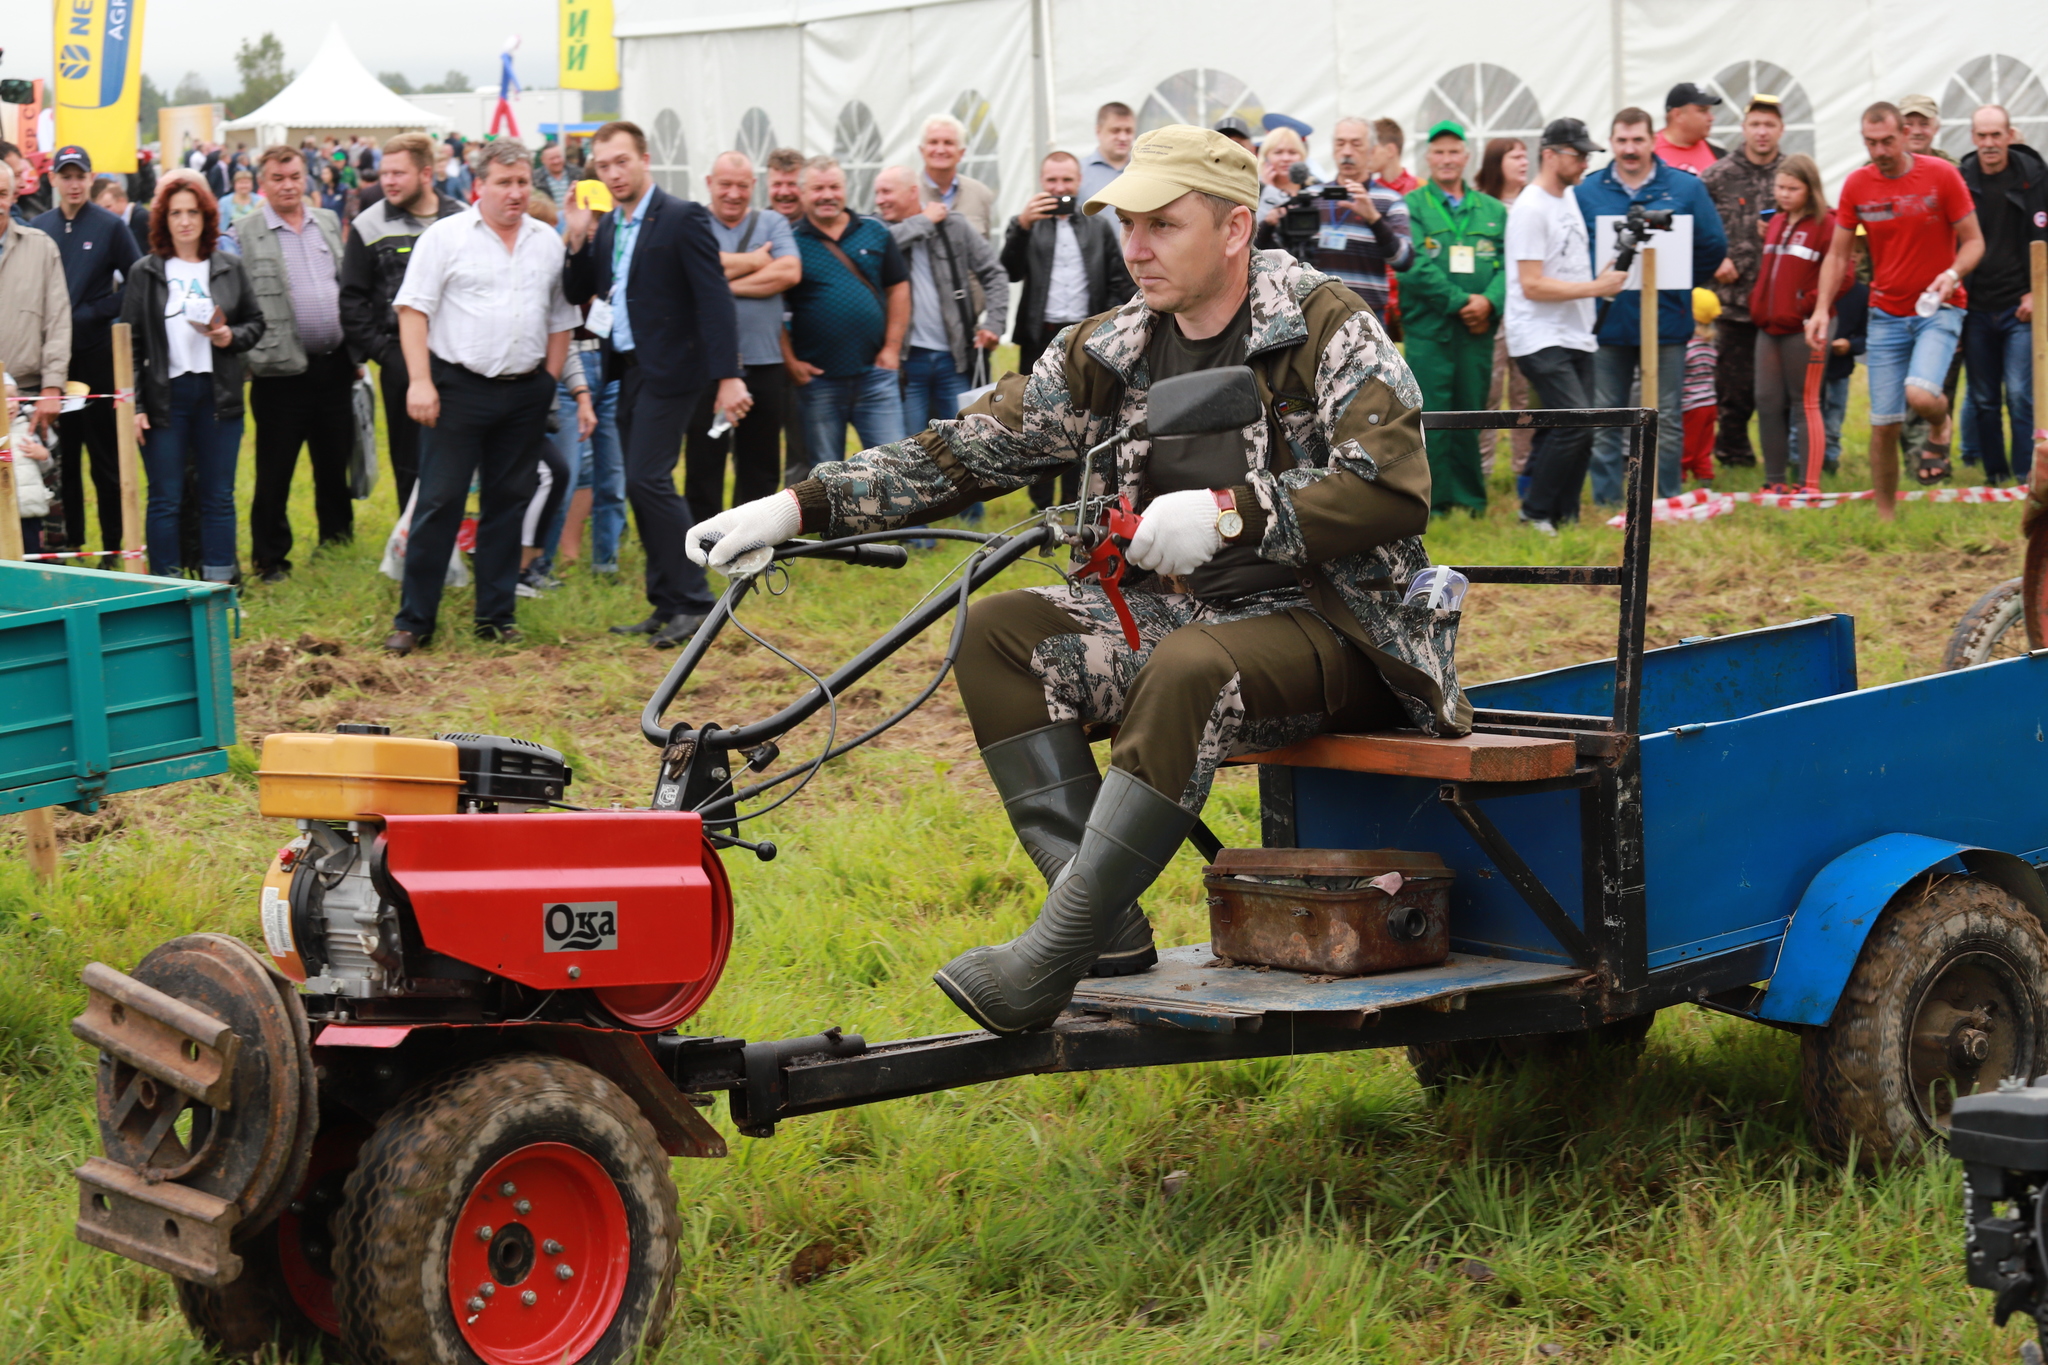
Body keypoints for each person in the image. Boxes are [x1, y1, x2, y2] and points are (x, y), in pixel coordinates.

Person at [684, 124, 1462, 1036]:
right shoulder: (1115, 344)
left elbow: (1392, 488)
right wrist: (795, 508)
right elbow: (977, 445)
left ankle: (1052, 951)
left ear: (1237, 229)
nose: (1136, 248)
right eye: (1127, 225)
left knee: (1192, 667)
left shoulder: (1324, 323)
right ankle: (1105, 922)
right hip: (1178, 619)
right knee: (1000, 630)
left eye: (1163, 225)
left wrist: (1231, 513)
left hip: (1339, 628)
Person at [385, 140, 581, 654]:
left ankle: (496, 616)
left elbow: (562, 319)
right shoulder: (445, 237)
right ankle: (414, 621)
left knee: (508, 503)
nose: (515, 193)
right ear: (480, 185)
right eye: (504, 182)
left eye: (523, 183)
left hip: (523, 393)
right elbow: (412, 311)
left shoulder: (546, 242)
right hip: (457, 390)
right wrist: (420, 381)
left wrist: (549, 380)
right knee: (439, 501)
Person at [563, 120, 749, 649]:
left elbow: (714, 299)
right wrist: (577, 235)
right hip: (628, 369)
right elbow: (578, 291)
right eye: (604, 167)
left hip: (673, 370)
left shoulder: (682, 216)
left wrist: (728, 376)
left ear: (645, 159)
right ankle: (665, 602)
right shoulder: (608, 227)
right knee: (641, 485)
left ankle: (693, 601)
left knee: (648, 479)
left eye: (622, 161)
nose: (614, 173)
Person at [1808, 102, 1984, 515]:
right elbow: (1837, 256)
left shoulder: (1941, 175)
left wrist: (1953, 274)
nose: (1881, 151)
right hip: (1885, 315)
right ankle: (1886, 516)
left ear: (1905, 134)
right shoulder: (1857, 185)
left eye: (1888, 141)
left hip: (1939, 308)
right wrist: (1820, 310)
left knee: (1920, 395)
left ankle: (1940, 423)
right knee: (1883, 424)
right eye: (1872, 143)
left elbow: (1975, 241)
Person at [1575, 108, 1729, 501]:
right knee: (1607, 416)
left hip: (1667, 321)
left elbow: (1713, 245)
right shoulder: (1586, 192)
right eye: (1622, 140)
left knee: (1667, 416)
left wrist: (1680, 284)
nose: (1630, 149)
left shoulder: (1685, 188)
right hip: (1608, 322)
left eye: (1638, 140)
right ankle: (1606, 501)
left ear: (1652, 140)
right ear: (1611, 142)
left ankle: (1666, 497)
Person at [120, 177, 265, 581]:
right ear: (163, 220)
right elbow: (129, 342)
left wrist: (230, 336)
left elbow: (256, 322)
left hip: (218, 397)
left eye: (192, 212)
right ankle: (165, 588)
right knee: (165, 497)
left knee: (218, 496)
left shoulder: (228, 267)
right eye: (175, 213)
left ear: (206, 217)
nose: (185, 221)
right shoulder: (145, 272)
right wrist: (137, 406)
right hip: (166, 396)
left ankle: (219, 587)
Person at [226, 145, 354, 583]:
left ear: (307, 178)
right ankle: (270, 557)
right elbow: (235, 302)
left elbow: (346, 285)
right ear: (263, 183)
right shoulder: (244, 232)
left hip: (335, 366)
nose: (287, 185)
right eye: (278, 178)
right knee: (275, 469)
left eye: (295, 176)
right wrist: (250, 358)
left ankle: (337, 542)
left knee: (334, 462)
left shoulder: (329, 223)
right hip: (280, 373)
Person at [1508, 119, 1628, 532]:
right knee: (1576, 423)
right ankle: (1535, 512)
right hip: (1538, 335)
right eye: (1577, 155)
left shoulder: (1567, 198)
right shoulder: (1530, 207)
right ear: (1550, 154)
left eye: (1587, 155)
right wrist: (1596, 287)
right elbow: (1532, 284)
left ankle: (1565, 517)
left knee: (1576, 426)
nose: (1584, 163)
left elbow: (1564, 262)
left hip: (1575, 332)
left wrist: (1601, 278)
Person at [340, 132, 468, 513]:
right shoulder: (368, 225)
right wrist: (386, 354)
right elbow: (351, 301)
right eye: (384, 173)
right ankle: (414, 546)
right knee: (410, 461)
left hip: (460, 360)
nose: (389, 182)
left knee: (462, 456)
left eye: (399, 173)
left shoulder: (462, 218)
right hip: (401, 363)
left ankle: (461, 541)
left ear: (426, 173)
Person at [1002, 149, 1137, 508]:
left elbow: (1115, 279)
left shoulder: (1097, 226)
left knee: (1086, 419)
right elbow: (1010, 269)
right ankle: (1040, 502)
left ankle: (1075, 499)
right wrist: (1021, 226)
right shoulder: (1028, 225)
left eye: (1066, 180)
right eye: (1052, 180)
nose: (1059, 187)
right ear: (1041, 183)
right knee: (1037, 417)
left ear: (1078, 183)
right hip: (1039, 334)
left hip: (1084, 337)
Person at [683, 151, 801, 529]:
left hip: (765, 362)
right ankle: (703, 540)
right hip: (706, 365)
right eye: (725, 185)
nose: (733, 194)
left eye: (742, 186)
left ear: (754, 185)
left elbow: (789, 271)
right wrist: (753, 261)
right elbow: (685, 276)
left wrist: (717, 285)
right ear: (709, 184)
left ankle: (753, 540)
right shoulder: (692, 220)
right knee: (704, 460)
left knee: (761, 462)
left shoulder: (773, 221)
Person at [33, 146, 140, 558]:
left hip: (96, 358)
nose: (74, 183)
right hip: (54, 363)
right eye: (67, 175)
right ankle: (71, 545)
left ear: (92, 178)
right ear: (54, 180)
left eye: (81, 176)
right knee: (63, 462)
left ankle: (113, 546)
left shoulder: (111, 226)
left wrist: (98, 312)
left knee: (105, 458)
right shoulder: (40, 228)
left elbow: (137, 279)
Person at [1401, 120, 1507, 515]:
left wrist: (1489, 303)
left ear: (1466, 157)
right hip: (1431, 330)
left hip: (1477, 331)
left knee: (1471, 410)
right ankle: (1435, 498)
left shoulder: (1493, 210)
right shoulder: (1412, 206)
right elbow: (1412, 266)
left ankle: (1471, 497)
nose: (1446, 159)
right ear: (1428, 158)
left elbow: (1507, 268)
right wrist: (1463, 301)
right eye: (1439, 152)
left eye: (1453, 151)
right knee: (1431, 414)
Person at [780, 156, 909, 472]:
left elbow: (899, 288)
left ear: (845, 189)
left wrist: (892, 349)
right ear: (803, 193)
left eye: (834, 187)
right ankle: (836, 524)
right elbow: (775, 309)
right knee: (828, 474)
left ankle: (905, 525)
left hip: (876, 376)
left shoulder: (875, 231)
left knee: (895, 469)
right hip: (819, 382)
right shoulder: (790, 242)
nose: (827, 195)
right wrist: (791, 363)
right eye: (818, 188)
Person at [874, 164, 1006, 441]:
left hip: (954, 359)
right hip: (906, 363)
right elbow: (879, 247)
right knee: (911, 447)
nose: (879, 200)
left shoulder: (953, 225)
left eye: (886, 192)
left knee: (961, 444)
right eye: (877, 193)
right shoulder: (876, 229)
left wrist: (994, 323)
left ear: (912, 192)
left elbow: (994, 273)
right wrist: (923, 221)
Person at [1959, 104, 2047, 487]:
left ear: (2010, 135)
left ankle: (2026, 476)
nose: (1990, 143)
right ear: (1973, 138)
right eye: (1982, 136)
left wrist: (2036, 294)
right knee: (1982, 398)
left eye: (1997, 135)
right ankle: (1995, 477)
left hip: (2020, 307)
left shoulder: (2035, 179)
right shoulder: (1960, 180)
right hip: (1975, 307)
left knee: (2021, 395)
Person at [1701, 94, 1786, 470]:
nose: (1762, 133)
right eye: (1755, 125)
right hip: (1733, 301)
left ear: (1781, 129)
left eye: (1770, 125)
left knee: (1779, 389)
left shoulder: (1794, 174)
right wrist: (1714, 258)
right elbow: (1693, 228)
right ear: (1743, 129)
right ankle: (1733, 453)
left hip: (1782, 300)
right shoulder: (1718, 176)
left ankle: (1783, 456)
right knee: (1733, 387)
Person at [1751, 154, 1834, 491]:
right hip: (1768, 326)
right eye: (1779, 187)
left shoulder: (1828, 223)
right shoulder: (1775, 222)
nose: (1783, 194)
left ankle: (1809, 483)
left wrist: (1807, 305)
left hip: (1805, 326)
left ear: (1809, 188)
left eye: (1792, 188)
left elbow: (1841, 276)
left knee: (1805, 402)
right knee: (1767, 400)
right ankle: (1775, 482)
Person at [1307, 117, 1413, 324]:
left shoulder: (1390, 200)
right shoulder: (1311, 197)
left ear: (1372, 151)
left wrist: (1373, 218)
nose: (1347, 152)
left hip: (1367, 317)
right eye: (1340, 144)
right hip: (1317, 315)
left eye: (1356, 144)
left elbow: (1404, 260)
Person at [0, 163, 70, 447]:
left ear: (15, 197)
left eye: (2, 193)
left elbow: (58, 321)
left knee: (32, 491)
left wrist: (52, 386)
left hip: (28, 396)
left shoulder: (41, 248)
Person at [1476, 137, 1533, 486]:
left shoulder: (1534, 201)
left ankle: (1524, 469)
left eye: (1526, 156)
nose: (1524, 162)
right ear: (1497, 162)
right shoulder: (1481, 205)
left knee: (1525, 394)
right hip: (1493, 313)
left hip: (1528, 314)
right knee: (1489, 393)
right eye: (1516, 156)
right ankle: (1481, 470)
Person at [764, 147, 812, 486]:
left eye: (792, 183)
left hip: (809, 353)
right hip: (762, 351)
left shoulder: (818, 228)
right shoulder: (756, 227)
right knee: (756, 446)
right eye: (778, 183)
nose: (784, 191)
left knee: (804, 445)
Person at [917, 114, 995, 238]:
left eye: (948, 143)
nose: (941, 150)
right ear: (922, 151)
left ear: (961, 153)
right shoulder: (905, 194)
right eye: (933, 142)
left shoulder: (980, 195)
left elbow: (985, 251)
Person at [1681, 288, 1719, 484]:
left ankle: (1679, 476)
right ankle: (1705, 476)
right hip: (1709, 403)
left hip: (1690, 405)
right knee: (1704, 445)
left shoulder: (1687, 345)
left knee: (1686, 445)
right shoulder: (1709, 343)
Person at [1655, 83, 1725, 176]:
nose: (1711, 118)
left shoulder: (1719, 153)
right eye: (1703, 110)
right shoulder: (1647, 153)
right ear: (1678, 115)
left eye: (1709, 111)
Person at [1079, 102, 1137, 204]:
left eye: (1128, 131)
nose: (1123, 138)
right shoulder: (1079, 172)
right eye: (1115, 130)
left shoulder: (1143, 170)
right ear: (1098, 131)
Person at [1255, 127, 1309, 232]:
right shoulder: (1253, 191)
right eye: (1278, 152)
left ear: (1302, 157)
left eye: (1292, 152)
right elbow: (1254, 233)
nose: (1285, 158)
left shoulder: (1313, 189)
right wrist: (1268, 191)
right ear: (1265, 158)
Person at [91, 176, 149, 247]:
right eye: (102, 208)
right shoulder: (116, 223)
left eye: (108, 206)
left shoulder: (141, 217)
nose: (105, 212)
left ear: (122, 201)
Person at [1369, 119, 1418, 194]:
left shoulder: (1419, 187)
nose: (1367, 155)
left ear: (1390, 150)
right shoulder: (1370, 188)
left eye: (1372, 149)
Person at [537, 140, 582, 205]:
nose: (556, 161)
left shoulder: (578, 173)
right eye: (552, 159)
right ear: (543, 160)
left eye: (558, 157)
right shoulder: (535, 180)